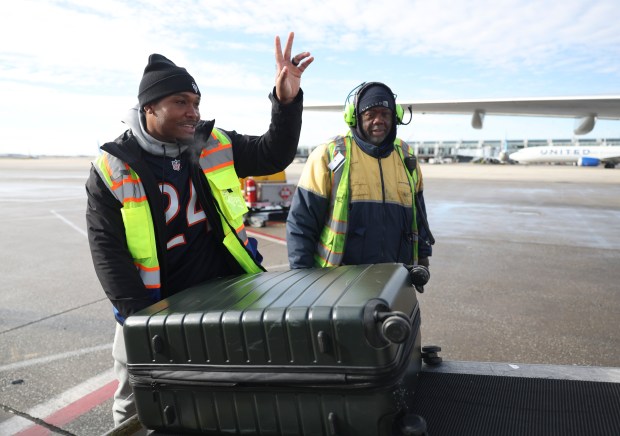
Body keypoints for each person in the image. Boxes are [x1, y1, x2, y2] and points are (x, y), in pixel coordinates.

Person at [86, 32, 313, 426]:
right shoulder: (113, 166)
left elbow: (274, 152)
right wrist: (141, 323)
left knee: (228, 398)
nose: (193, 112)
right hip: (152, 306)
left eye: (196, 103)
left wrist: (287, 102)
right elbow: (108, 253)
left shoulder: (212, 143)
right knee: (135, 405)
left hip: (222, 296)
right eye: (180, 102)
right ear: (148, 108)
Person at [286, 81, 433, 269]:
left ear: (395, 116)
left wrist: (422, 257)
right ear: (355, 117)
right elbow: (301, 223)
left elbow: (419, 215)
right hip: (339, 282)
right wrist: (302, 275)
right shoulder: (328, 155)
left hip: (396, 276)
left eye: (385, 114)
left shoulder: (407, 157)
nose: (378, 120)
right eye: (370, 114)